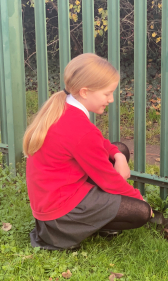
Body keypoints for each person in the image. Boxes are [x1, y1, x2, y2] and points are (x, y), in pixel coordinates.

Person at [23, 53, 152, 250]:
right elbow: (109, 180)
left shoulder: (65, 105)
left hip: (52, 197)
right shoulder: (80, 129)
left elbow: (98, 142)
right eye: (107, 93)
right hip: (58, 215)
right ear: (85, 91)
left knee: (120, 149)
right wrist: (140, 199)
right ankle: (89, 226)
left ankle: (97, 215)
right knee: (140, 212)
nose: (110, 99)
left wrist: (118, 156)